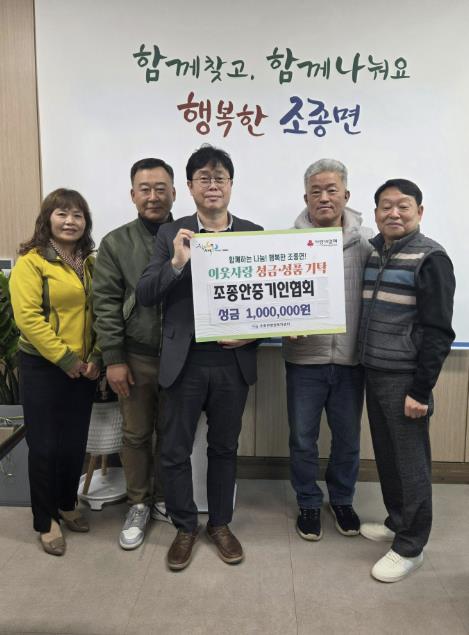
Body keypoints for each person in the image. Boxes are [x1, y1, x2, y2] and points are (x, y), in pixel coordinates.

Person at [136, 144, 262, 570]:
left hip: (231, 362)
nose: (212, 185)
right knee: (174, 449)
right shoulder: (171, 234)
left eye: (219, 178)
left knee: (224, 448)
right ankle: (185, 526)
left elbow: (267, 302)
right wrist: (176, 262)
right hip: (184, 360)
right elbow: (146, 294)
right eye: (203, 178)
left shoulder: (253, 234)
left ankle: (220, 524)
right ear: (189, 187)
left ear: (231, 185)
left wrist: (252, 335)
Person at [359, 179, 455, 582]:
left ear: (419, 211)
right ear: (376, 213)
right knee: (387, 455)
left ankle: (411, 546)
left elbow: (438, 331)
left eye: (403, 206)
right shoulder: (374, 253)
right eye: (386, 206)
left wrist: (420, 389)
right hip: (374, 371)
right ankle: (397, 521)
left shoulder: (431, 258)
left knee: (411, 463)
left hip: (405, 379)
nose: (394, 213)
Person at [283, 159, 373, 541]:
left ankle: (341, 500)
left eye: (331, 189)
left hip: (351, 360)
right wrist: (284, 325)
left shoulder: (367, 243)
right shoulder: (286, 243)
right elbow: (274, 300)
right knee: (303, 438)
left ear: (346, 195)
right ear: (305, 197)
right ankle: (307, 501)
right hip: (305, 360)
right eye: (315, 191)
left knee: (348, 440)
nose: (323, 197)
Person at [9, 188, 100, 556]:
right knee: (45, 446)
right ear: (47, 219)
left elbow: (99, 313)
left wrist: (95, 357)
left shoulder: (89, 263)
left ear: (85, 222)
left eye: (77, 215)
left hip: (84, 368)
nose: (70, 221)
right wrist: (67, 360)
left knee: (74, 444)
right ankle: (45, 520)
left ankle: (67, 503)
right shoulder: (31, 262)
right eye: (62, 214)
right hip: (44, 367)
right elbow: (28, 319)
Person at [93, 158, 176, 550]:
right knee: (137, 433)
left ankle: (164, 499)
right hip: (135, 355)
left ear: (174, 192)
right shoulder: (116, 242)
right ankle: (139, 503)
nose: (153, 196)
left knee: (173, 434)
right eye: (145, 189)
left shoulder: (191, 234)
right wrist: (114, 358)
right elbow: (106, 304)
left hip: (181, 356)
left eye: (161, 188)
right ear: (133, 195)